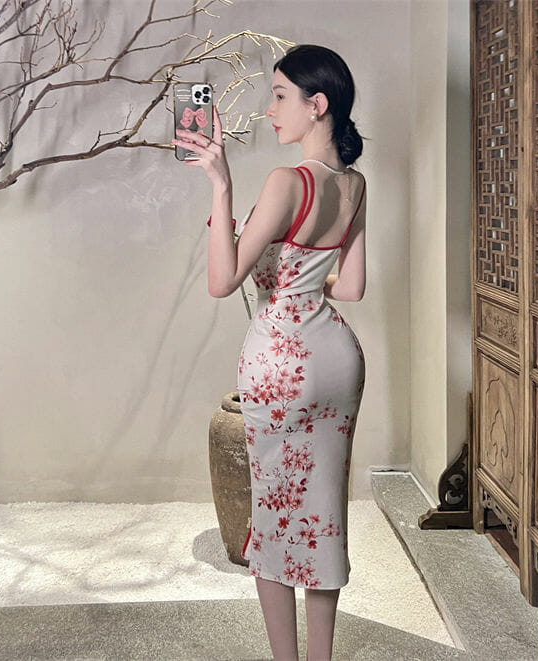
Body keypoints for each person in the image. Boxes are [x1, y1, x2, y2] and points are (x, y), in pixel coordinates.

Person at [173, 44, 366, 661]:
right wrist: (304, 281)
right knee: (323, 513)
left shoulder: (288, 181)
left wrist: (221, 185)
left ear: (317, 105)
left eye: (280, 95)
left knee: (277, 519)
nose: (270, 109)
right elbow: (351, 288)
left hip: (282, 364)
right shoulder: (354, 184)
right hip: (338, 358)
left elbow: (222, 280)